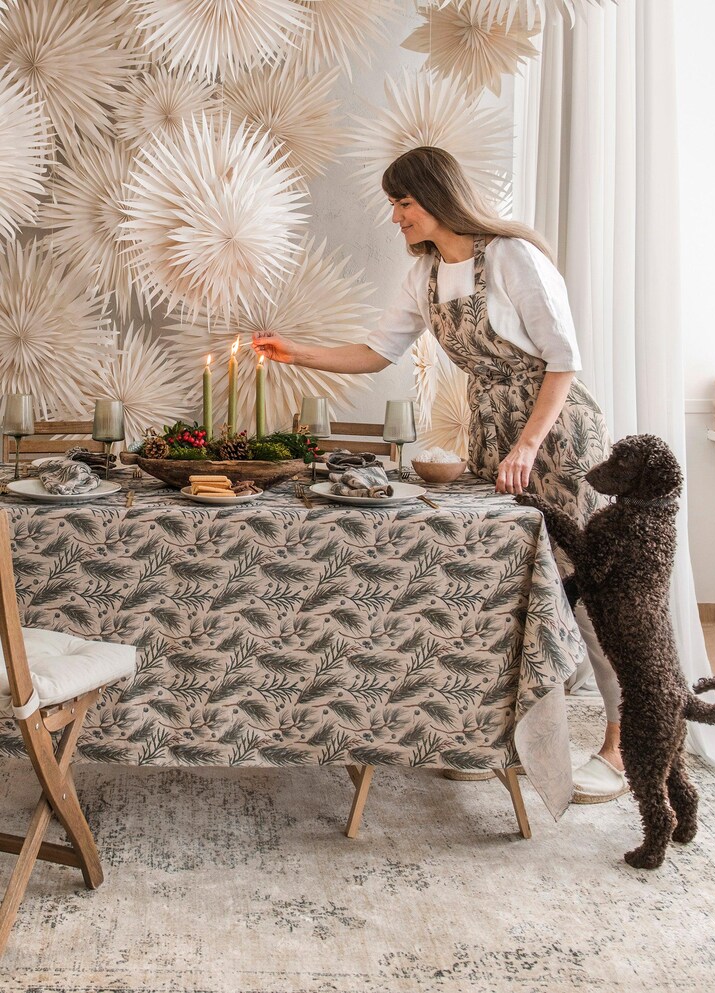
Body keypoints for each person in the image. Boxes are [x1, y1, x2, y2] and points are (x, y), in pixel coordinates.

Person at [252, 146, 626, 803]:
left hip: (556, 437)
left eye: (403, 202)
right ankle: (489, 737)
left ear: (435, 197)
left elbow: (564, 360)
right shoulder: (425, 276)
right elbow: (376, 353)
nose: (394, 215)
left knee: (589, 587)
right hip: (493, 438)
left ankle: (621, 748)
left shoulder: (512, 257)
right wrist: (295, 351)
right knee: (496, 580)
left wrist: (528, 446)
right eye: (393, 203)